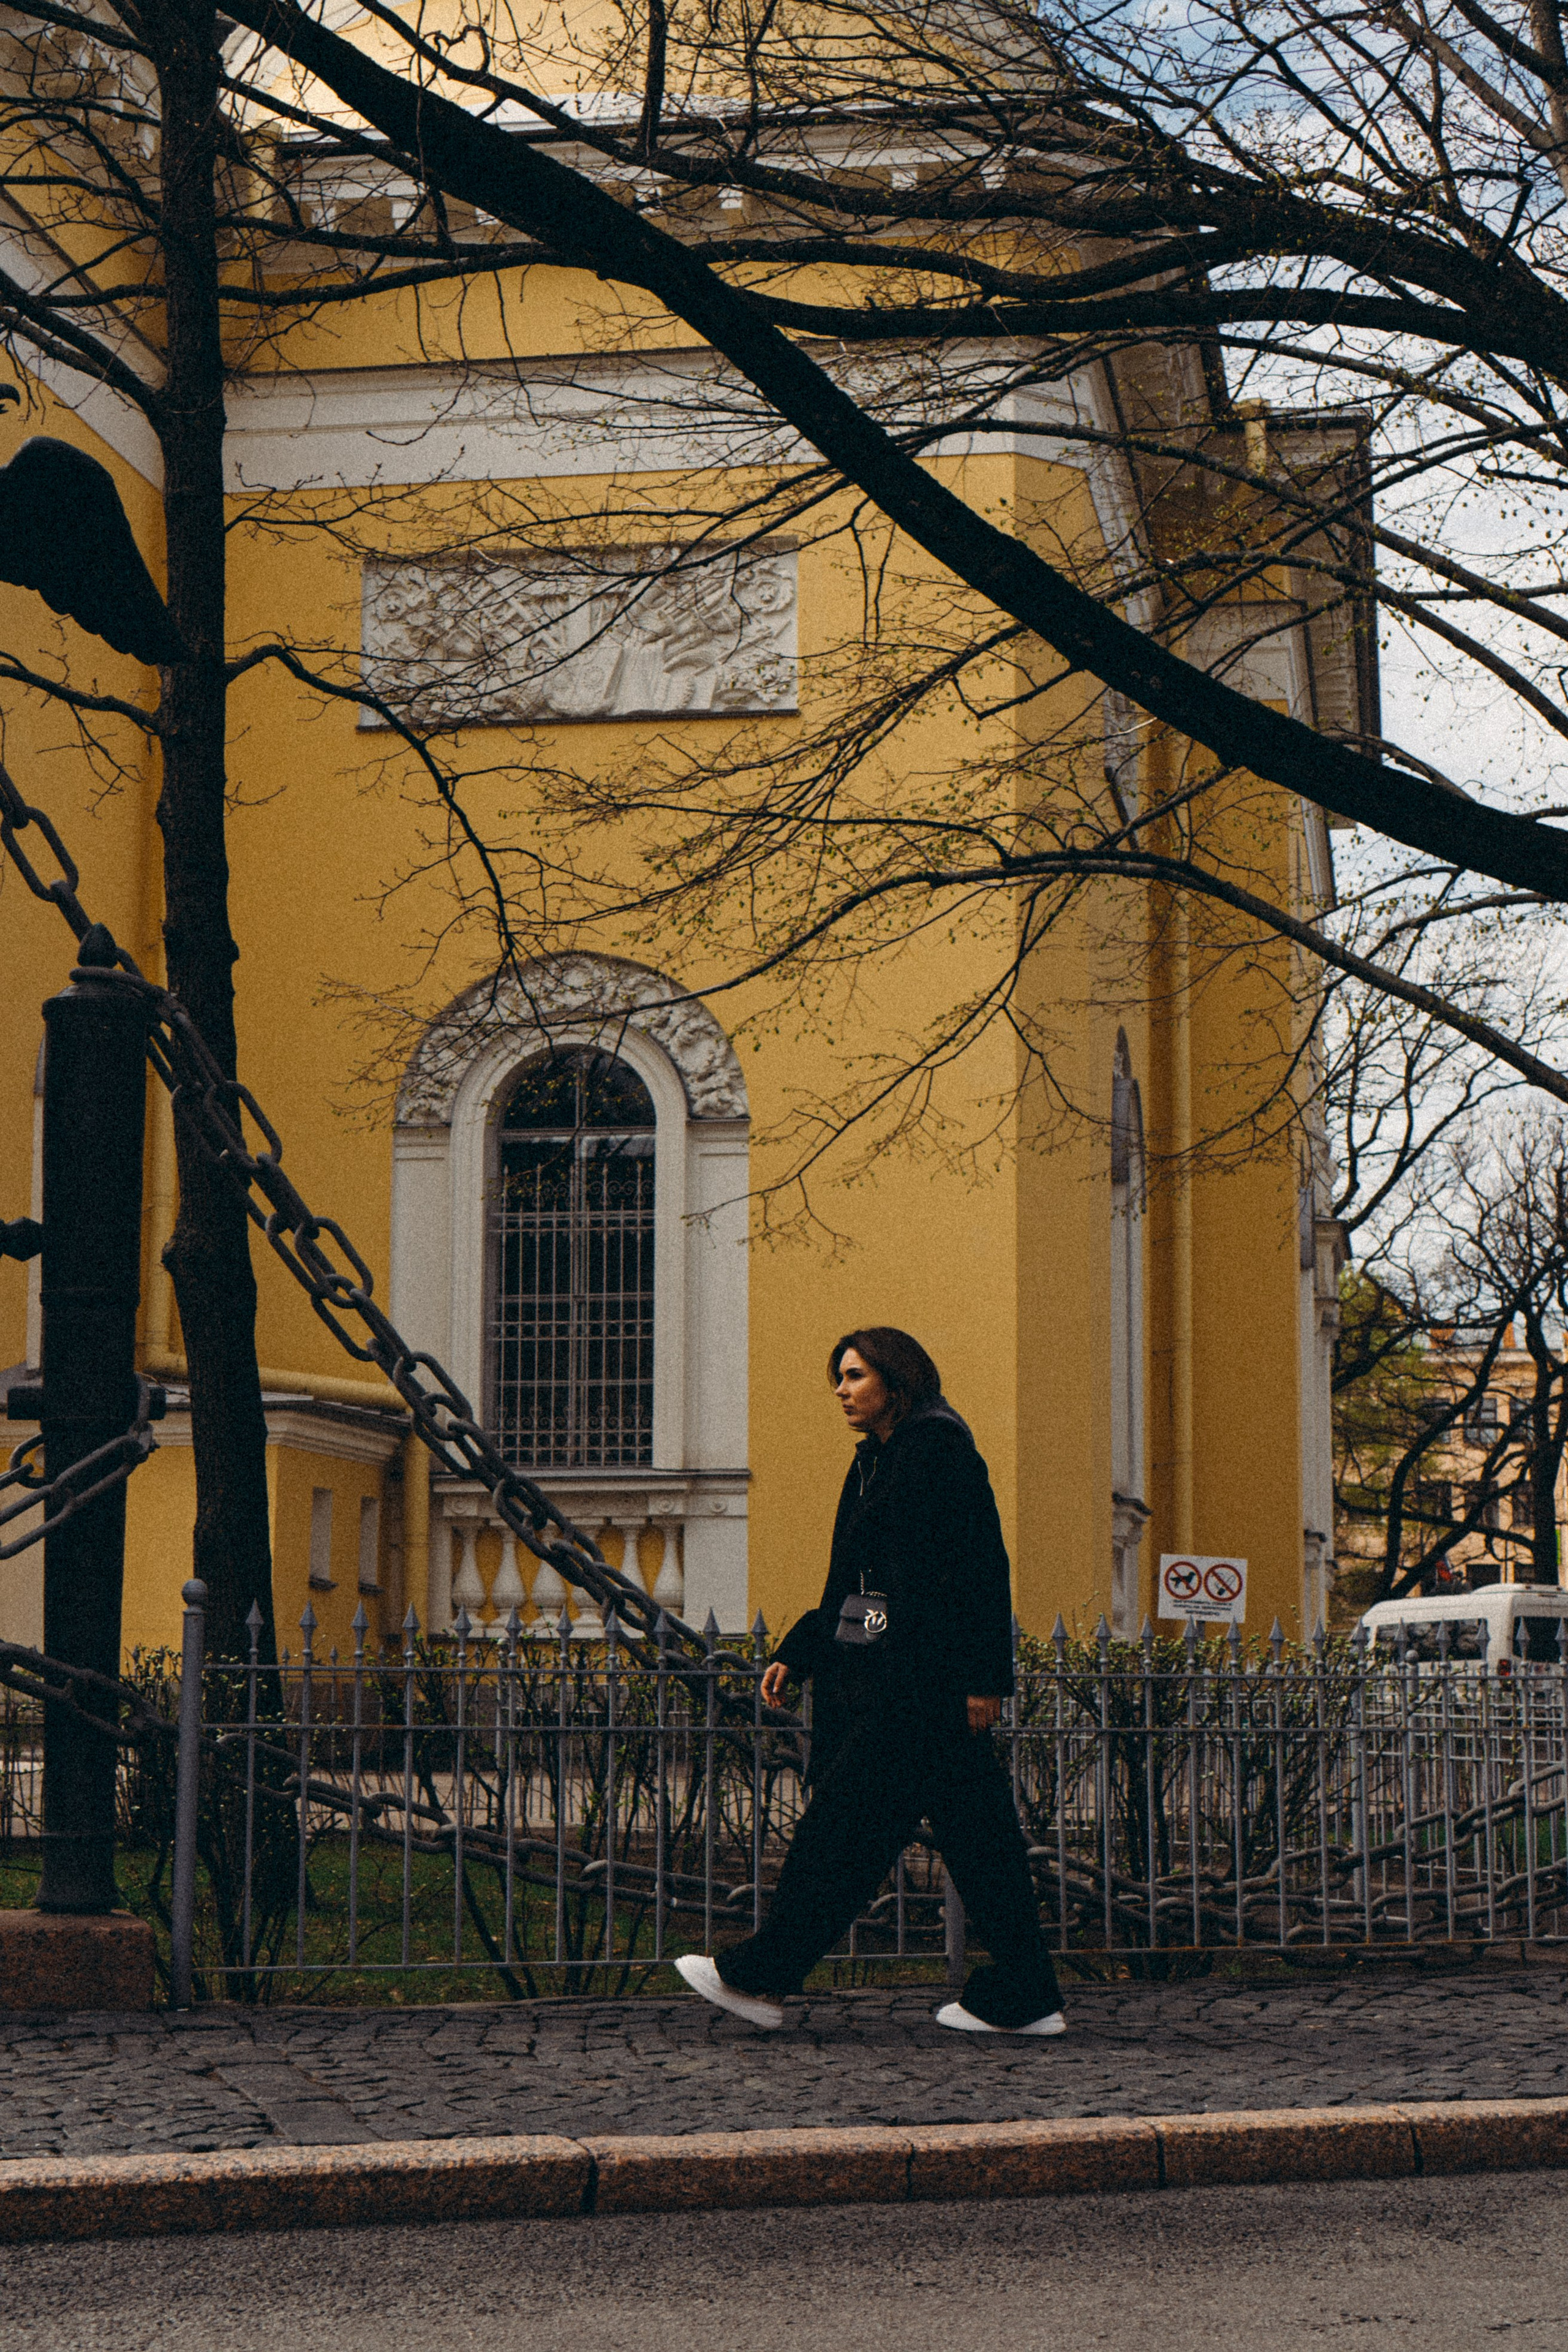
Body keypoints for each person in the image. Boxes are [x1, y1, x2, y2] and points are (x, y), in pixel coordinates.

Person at [676, 1326, 1066, 2037]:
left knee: (841, 1834)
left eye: (854, 1375)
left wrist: (984, 1680)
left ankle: (760, 1976)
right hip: (905, 1682)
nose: (841, 1389)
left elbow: (981, 1566)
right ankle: (1027, 1992)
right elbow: (858, 1581)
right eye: (839, 1376)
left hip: (921, 1689)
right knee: (982, 1847)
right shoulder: (881, 1459)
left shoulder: (937, 1448)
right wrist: (804, 1649)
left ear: (896, 1379)